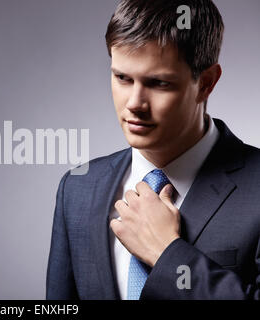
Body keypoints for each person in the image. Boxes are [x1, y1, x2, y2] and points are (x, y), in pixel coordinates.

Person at [46, 0, 260, 300]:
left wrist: (166, 254)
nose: (134, 103)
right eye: (122, 78)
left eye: (158, 83)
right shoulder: (77, 188)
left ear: (206, 83)